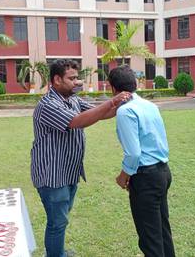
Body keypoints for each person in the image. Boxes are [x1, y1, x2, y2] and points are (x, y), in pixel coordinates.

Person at [31, 59, 131, 257]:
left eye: (77, 78)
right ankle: (55, 255)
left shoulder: (73, 100)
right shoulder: (48, 105)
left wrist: (124, 103)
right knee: (57, 222)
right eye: (72, 78)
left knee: (60, 218)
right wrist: (112, 100)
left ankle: (57, 251)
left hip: (68, 172)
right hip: (52, 175)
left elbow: (100, 114)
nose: (77, 82)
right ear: (56, 80)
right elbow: (76, 121)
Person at [109, 65, 175, 257]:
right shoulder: (150, 105)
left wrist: (123, 176)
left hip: (145, 177)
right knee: (162, 231)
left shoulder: (126, 111)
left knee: (150, 240)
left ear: (113, 88)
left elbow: (133, 153)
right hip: (162, 172)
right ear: (135, 83)